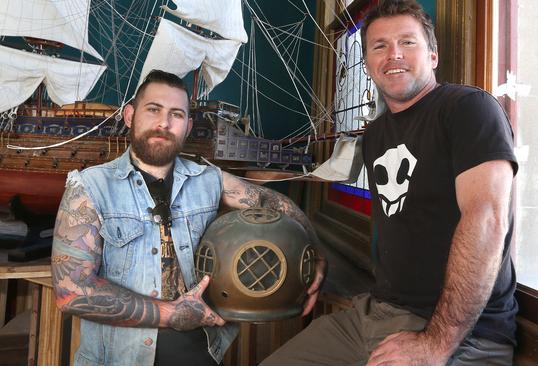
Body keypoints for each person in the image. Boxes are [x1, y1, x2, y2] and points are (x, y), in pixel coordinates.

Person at [261, 1, 518, 365]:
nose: (393, 55)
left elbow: (487, 221)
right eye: (379, 46)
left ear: (432, 56)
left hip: (461, 333)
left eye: (407, 43)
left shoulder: (468, 108)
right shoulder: (377, 134)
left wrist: (436, 343)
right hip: (374, 313)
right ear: (367, 63)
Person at [51, 69, 326, 366]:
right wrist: (172, 315)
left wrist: (317, 256)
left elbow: (274, 203)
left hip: (202, 355)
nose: (163, 123)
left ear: (188, 126)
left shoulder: (208, 179)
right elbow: (71, 292)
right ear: (130, 115)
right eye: (153, 109)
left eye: (176, 115)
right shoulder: (91, 187)